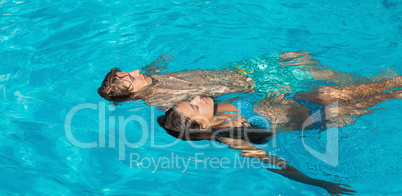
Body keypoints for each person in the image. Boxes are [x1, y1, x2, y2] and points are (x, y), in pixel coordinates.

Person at [157, 75, 402, 196]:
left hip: (307, 97)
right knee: (386, 96)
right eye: (195, 106)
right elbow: (276, 164)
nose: (197, 98)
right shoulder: (231, 137)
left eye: (191, 100)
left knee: (380, 84)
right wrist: (323, 183)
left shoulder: (216, 105)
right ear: (201, 125)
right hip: (318, 117)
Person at [97, 51, 389, 110]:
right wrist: (265, 97)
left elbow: (146, 69)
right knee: (315, 76)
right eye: (131, 78)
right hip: (253, 85)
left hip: (241, 69)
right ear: (134, 95)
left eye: (130, 71)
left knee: (300, 55)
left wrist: (161, 61)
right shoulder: (164, 102)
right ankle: (383, 83)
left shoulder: (149, 78)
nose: (137, 71)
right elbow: (211, 106)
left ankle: (378, 84)